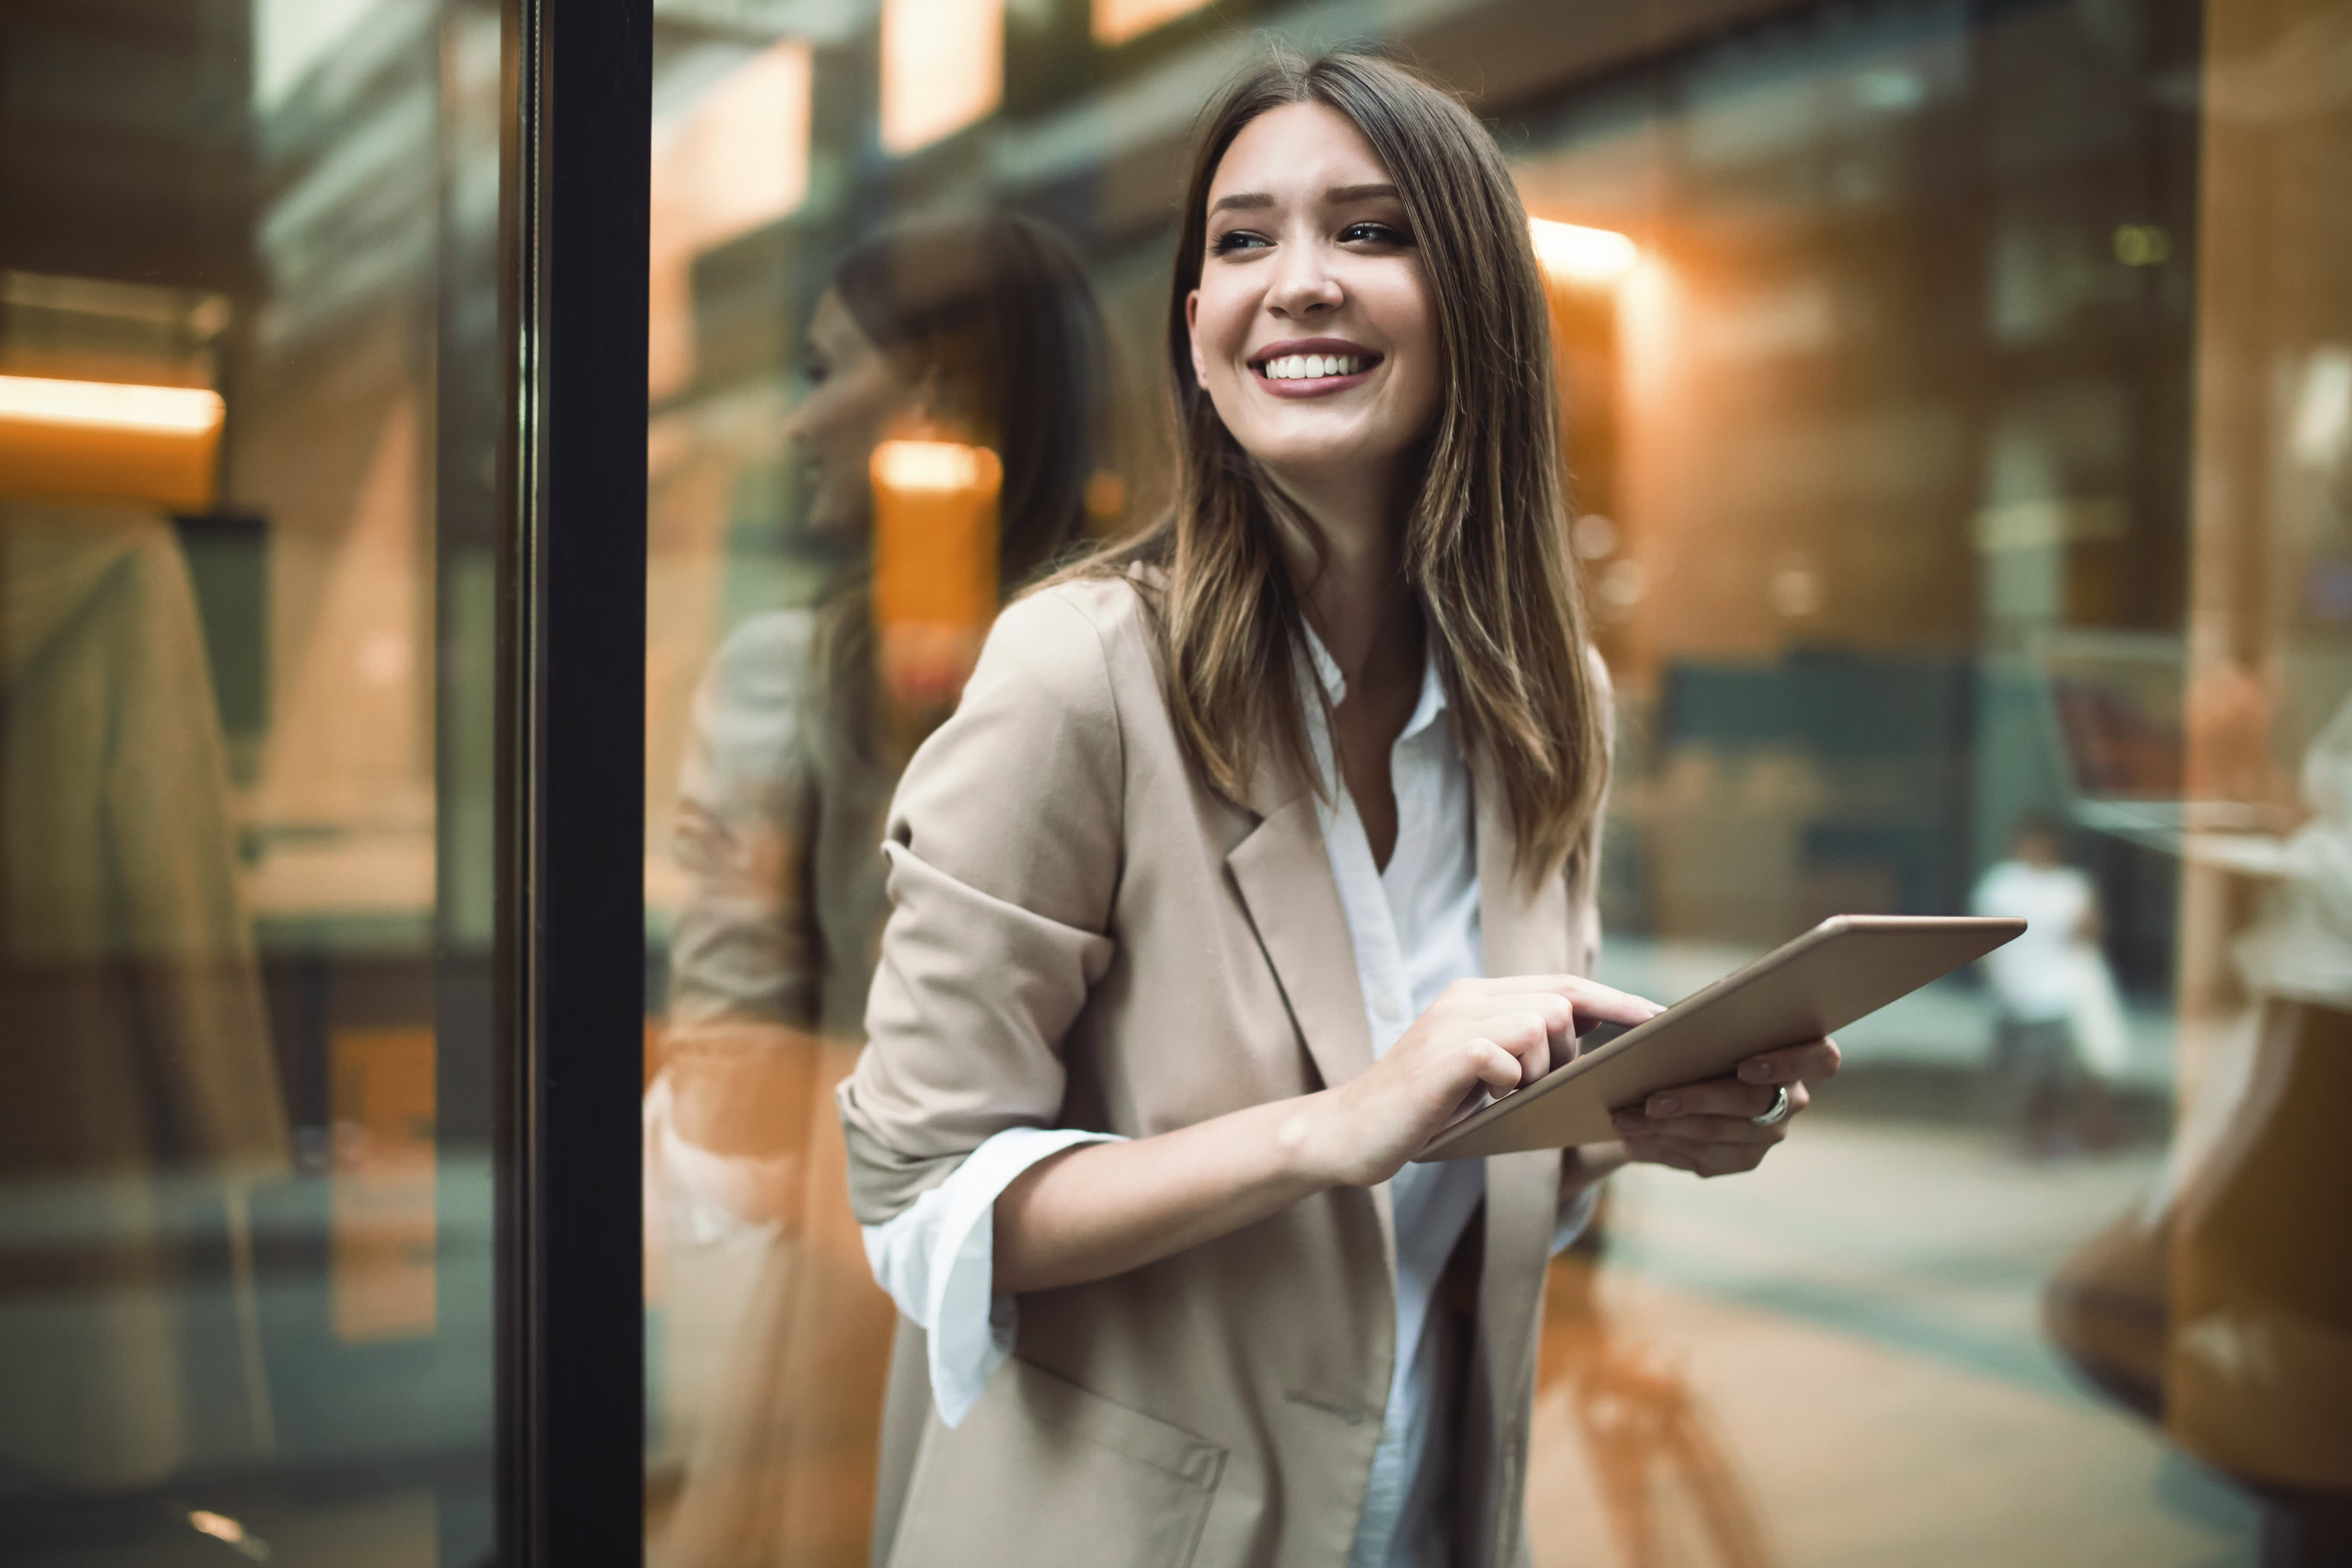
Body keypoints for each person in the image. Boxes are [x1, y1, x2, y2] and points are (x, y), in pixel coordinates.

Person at [836, 52, 1839, 1568]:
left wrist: (1626, 1127)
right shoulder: (1080, 675)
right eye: (1242, 241)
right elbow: (917, 1204)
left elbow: (1457, 1164)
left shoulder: (1543, 698)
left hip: (1424, 1512)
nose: (1294, 282)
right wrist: (1334, 1128)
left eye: (1368, 232)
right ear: (1195, 328)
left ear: (1480, 311)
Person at [649, 212, 1110, 1568]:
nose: (796, 424)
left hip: (883, 1298)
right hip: (1144, 1297)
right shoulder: (1163, 664)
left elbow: (733, 1096)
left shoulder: (788, 681)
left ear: (933, 389)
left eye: (819, 369)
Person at [1970, 810, 2110, 1156]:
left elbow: (2089, 938)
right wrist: (1995, 984)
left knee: (2058, 1078)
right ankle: (2021, 1139)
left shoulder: (2070, 886)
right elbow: (1983, 940)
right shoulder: (2001, 884)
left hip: (2058, 995)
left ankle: (2055, 1138)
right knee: (2018, 1078)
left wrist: (2089, 919)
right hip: (2014, 995)